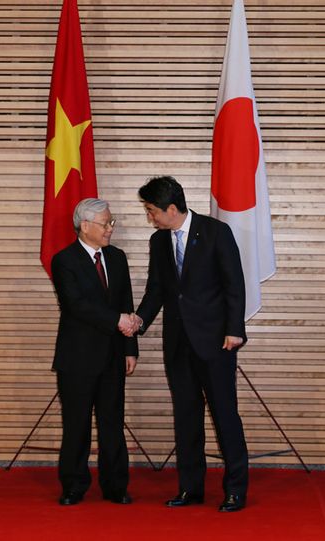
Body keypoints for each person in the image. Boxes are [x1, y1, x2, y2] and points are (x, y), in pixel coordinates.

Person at [130, 175, 248, 512]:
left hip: (216, 342)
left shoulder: (215, 232)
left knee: (225, 416)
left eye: (151, 210)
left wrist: (234, 329)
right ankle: (190, 488)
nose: (149, 217)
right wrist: (139, 320)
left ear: (171, 208)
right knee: (186, 418)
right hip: (178, 344)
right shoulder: (158, 241)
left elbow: (234, 285)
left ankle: (236, 489)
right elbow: (157, 290)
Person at [51, 198, 138, 506]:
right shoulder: (63, 260)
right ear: (85, 226)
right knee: (76, 425)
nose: (110, 230)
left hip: (114, 356)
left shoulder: (117, 258)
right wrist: (117, 320)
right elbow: (76, 305)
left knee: (112, 423)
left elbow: (125, 301)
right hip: (77, 358)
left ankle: (116, 486)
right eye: (106, 224)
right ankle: (74, 485)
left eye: (111, 223)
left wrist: (130, 348)